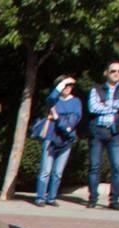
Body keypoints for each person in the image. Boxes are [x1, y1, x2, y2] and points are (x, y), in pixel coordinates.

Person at [87, 60, 119, 210]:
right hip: (98, 131)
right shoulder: (96, 89)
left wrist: (106, 104)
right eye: (113, 71)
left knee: (117, 167)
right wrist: (115, 105)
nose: (117, 74)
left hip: (116, 133)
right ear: (106, 73)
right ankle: (92, 199)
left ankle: (114, 200)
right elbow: (93, 107)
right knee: (94, 167)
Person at [34, 76, 83, 207]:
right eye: (64, 85)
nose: (67, 88)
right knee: (45, 170)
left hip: (66, 139)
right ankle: (40, 197)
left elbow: (73, 122)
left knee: (58, 172)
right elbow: (50, 99)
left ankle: (51, 198)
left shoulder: (76, 102)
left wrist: (57, 118)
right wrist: (62, 82)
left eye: (70, 85)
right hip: (50, 137)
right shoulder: (54, 100)